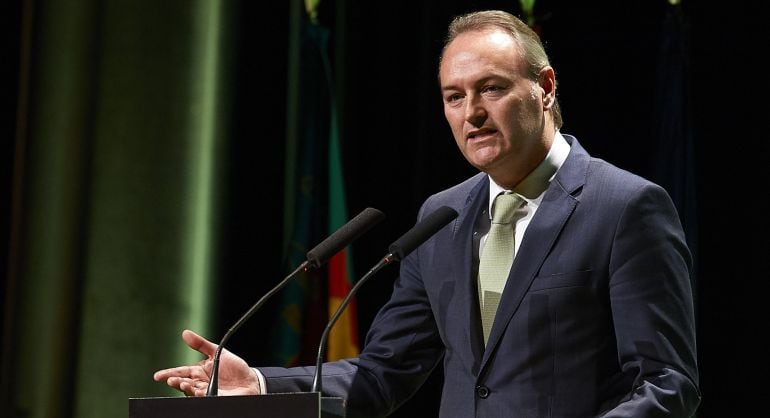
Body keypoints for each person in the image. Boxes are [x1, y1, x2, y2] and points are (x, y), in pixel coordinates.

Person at [154, 9, 700, 417]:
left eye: (491, 89)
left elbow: (666, 384)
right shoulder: (443, 216)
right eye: (454, 97)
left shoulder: (625, 207)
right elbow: (384, 371)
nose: (473, 114)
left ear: (545, 88)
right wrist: (263, 385)